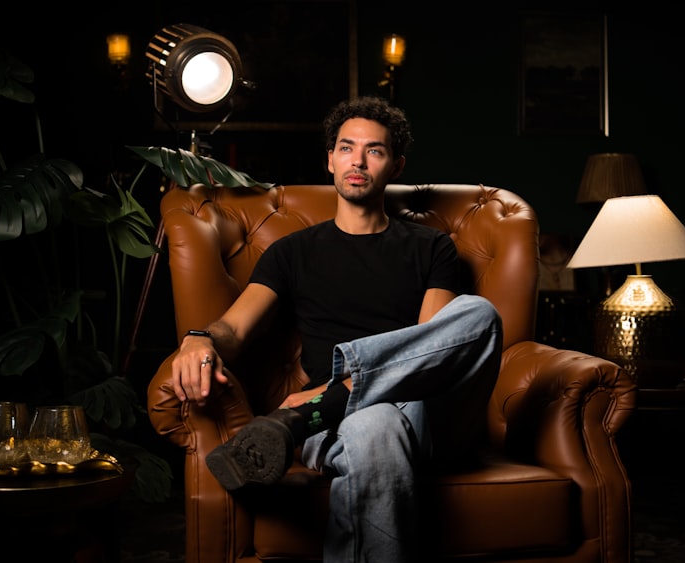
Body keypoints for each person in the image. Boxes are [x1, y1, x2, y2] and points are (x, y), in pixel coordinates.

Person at [170, 95, 503, 563]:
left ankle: (332, 396)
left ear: (395, 165)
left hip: (408, 408)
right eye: (347, 148)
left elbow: (430, 350)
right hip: (331, 428)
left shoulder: (432, 249)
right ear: (330, 159)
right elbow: (233, 327)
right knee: (376, 423)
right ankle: (337, 401)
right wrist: (199, 339)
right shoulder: (292, 253)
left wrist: (334, 390)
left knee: (478, 315)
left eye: (375, 151)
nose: (359, 161)